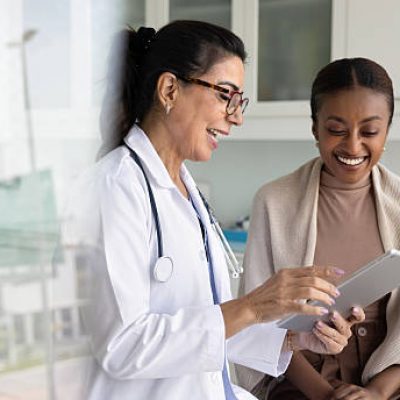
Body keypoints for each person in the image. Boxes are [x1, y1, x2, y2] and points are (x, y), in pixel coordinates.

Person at [71, 21, 364, 400]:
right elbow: (122, 345)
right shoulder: (112, 188)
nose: (236, 116)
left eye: (238, 101)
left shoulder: (186, 191)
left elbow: (205, 331)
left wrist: (296, 338)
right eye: (226, 95)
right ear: (170, 89)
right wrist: (252, 306)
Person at [237, 57, 400, 399]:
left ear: (387, 130)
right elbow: (257, 322)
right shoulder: (274, 201)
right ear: (315, 128)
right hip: (300, 380)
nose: (353, 146)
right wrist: (326, 394)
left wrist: (378, 392)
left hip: (389, 377)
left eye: (369, 131)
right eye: (336, 129)